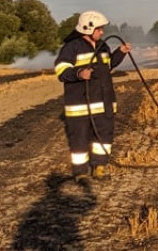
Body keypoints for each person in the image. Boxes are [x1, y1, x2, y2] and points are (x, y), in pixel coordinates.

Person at [53, 10, 131, 180]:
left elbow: (107, 65)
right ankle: (81, 173)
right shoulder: (71, 47)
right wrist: (79, 73)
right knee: (79, 139)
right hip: (80, 105)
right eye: (99, 29)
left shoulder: (103, 46)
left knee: (104, 135)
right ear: (88, 28)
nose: (102, 32)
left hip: (103, 102)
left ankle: (100, 167)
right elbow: (61, 70)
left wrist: (121, 53)